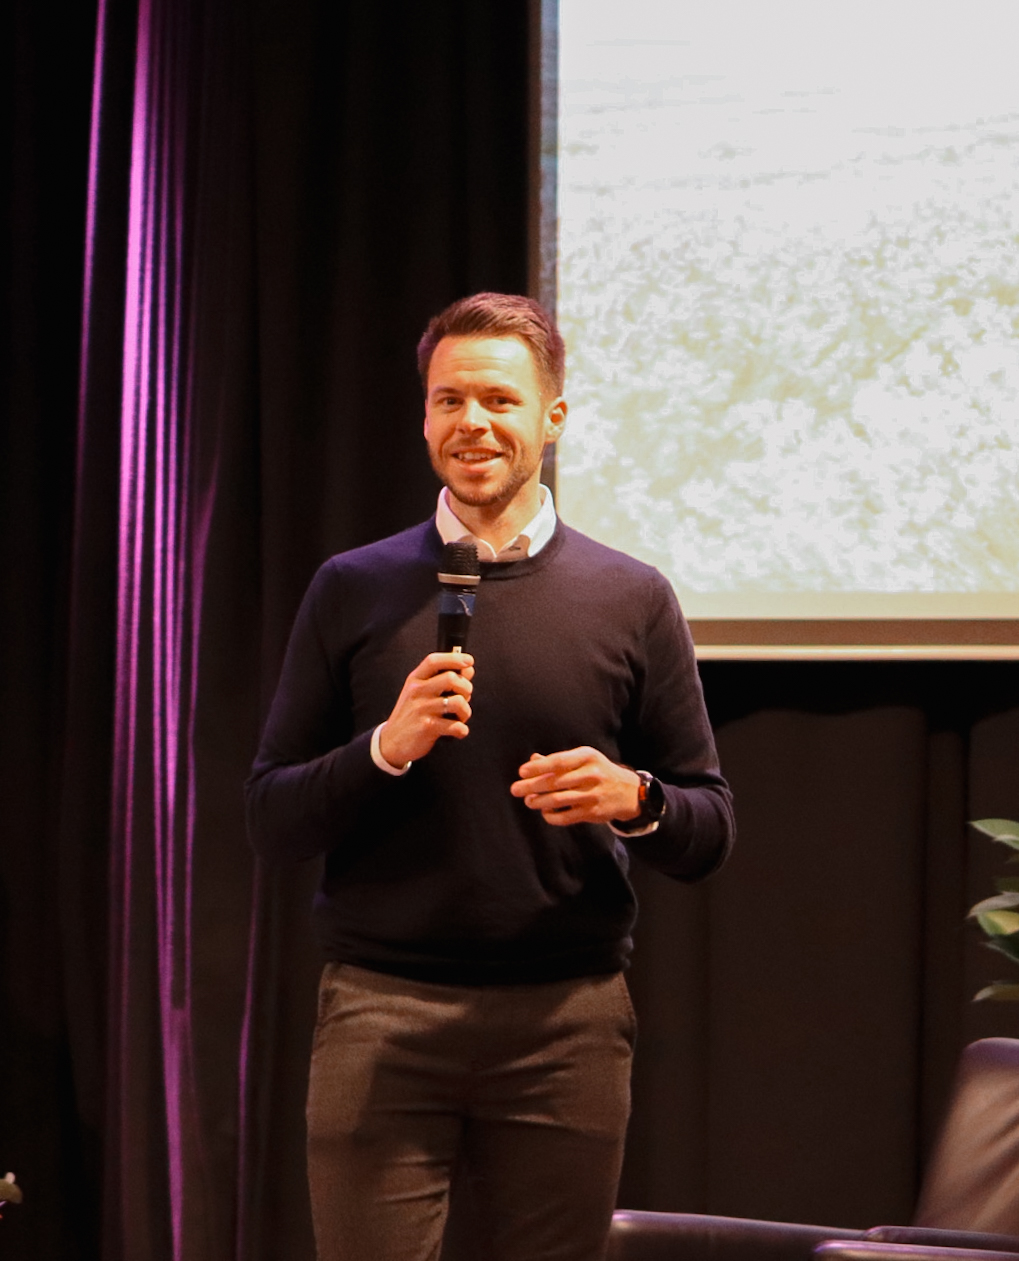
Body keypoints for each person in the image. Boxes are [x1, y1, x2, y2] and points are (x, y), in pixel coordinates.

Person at [247, 293, 734, 1261]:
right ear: (424, 416)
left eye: (499, 400)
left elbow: (708, 825)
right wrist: (384, 747)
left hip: (566, 1020)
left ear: (552, 418)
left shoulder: (631, 596)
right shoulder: (352, 586)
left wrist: (634, 800)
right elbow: (272, 814)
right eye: (449, 400)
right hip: (381, 1011)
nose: (472, 422)